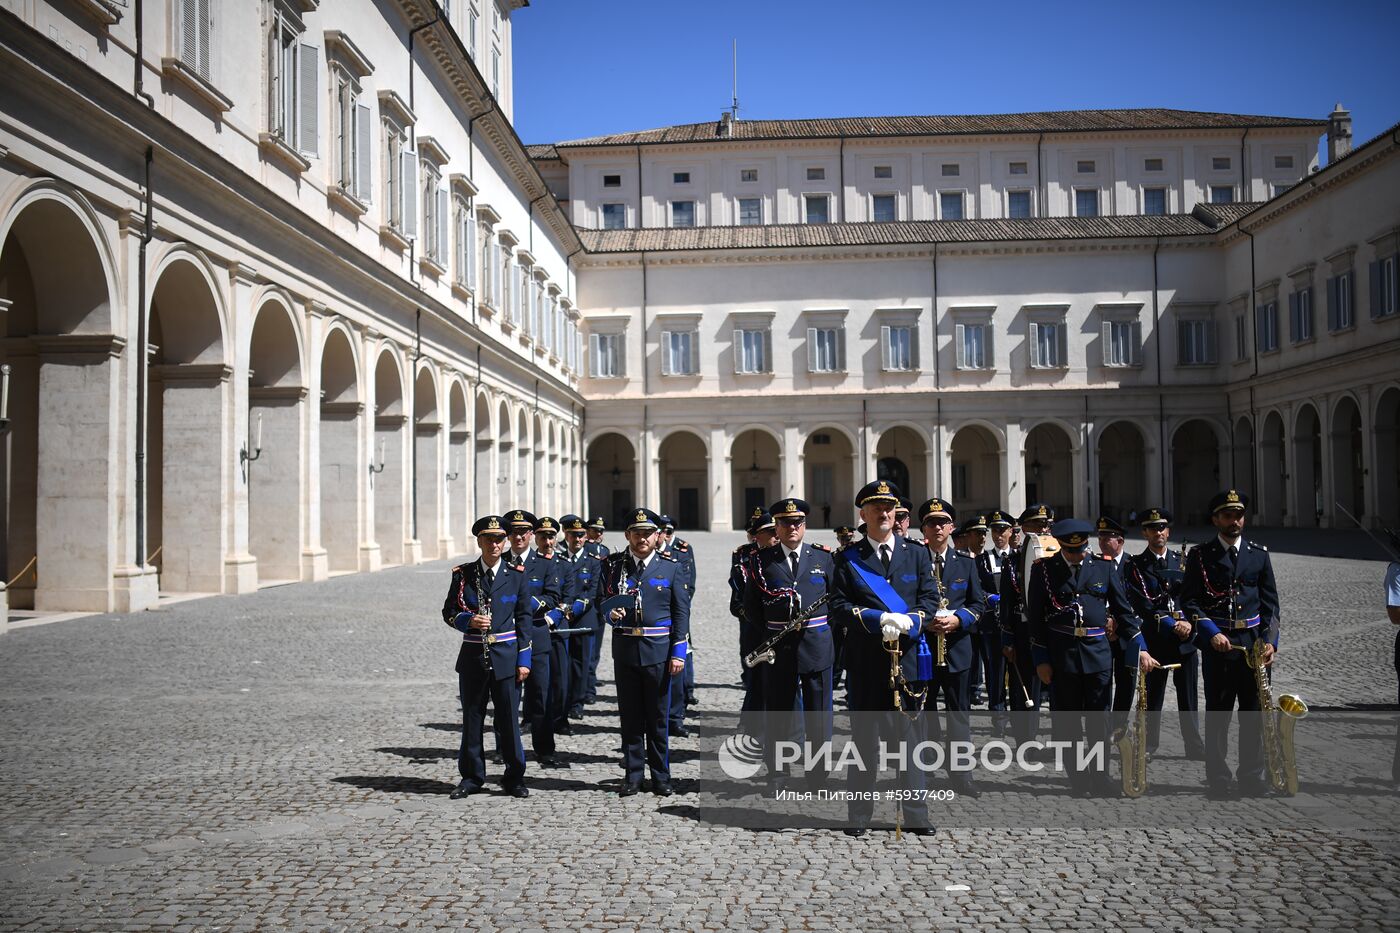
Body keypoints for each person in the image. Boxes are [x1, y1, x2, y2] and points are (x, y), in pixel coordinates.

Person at [829, 480, 937, 837]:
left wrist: (914, 619)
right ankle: (859, 815)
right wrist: (878, 620)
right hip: (866, 665)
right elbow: (839, 607)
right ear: (863, 514)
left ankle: (917, 813)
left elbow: (929, 599)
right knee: (864, 745)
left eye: (889, 507)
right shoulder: (848, 559)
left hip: (907, 664)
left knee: (911, 745)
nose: (884, 513)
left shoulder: (917, 553)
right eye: (876, 508)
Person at [1027, 518, 1142, 797]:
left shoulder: (1102, 567)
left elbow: (1124, 611)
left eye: (1081, 550)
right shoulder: (1044, 570)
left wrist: (1140, 646)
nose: (1077, 556)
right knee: (1067, 722)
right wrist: (1041, 659)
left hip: (1098, 655)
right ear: (1062, 547)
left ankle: (1100, 777)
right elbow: (1036, 620)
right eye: (1071, 551)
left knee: (1099, 721)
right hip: (1062, 656)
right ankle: (1078, 779)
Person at [1180, 489, 1280, 799]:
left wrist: (1270, 642)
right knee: (1219, 714)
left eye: (1238, 515)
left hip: (1252, 646)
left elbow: (1271, 605)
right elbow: (1190, 602)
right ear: (1215, 520)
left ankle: (1251, 776)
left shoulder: (1258, 554)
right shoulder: (1200, 555)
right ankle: (1219, 778)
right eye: (1227, 515)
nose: (1234, 521)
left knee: (1253, 714)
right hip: (1219, 646)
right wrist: (1210, 633)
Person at [596, 508, 692, 796]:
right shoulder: (612, 566)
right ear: (627, 535)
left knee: (658, 717)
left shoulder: (671, 566)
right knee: (631, 716)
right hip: (625, 649)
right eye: (636, 533)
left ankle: (661, 776)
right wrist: (610, 614)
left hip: (659, 652)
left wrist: (678, 652)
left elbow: (681, 614)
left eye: (647, 533)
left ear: (657, 536)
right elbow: (601, 600)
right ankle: (634, 774)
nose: (642, 538)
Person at [742, 497, 836, 792]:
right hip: (779, 648)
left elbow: (836, 600)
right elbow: (751, 607)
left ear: (804, 526)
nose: (791, 527)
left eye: (797, 523)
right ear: (777, 527)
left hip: (817, 646)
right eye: (784, 523)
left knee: (819, 717)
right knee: (780, 715)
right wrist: (777, 632)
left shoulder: (823, 558)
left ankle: (817, 776)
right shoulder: (761, 561)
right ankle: (778, 775)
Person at [440, 515, 533, 799]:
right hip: (473, 658)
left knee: (508, 721)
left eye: (499, 539)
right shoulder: (463, 574)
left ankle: (514, 777)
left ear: (505, 542)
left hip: (506, 656)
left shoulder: (516, 574)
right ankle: (471, 777)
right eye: (488, 539)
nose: (494, 544)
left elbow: (525, 619)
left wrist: (524, 660)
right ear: (479, 541)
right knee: (473, 718)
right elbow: (449, 612)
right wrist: (468, 620)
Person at [1122, 508, 1205, 759]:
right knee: (1153, 697)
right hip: (1157, 638)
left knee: (1189, 697)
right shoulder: (1136, 565)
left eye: (1163, 528)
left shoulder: (1186, 561)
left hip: (1186, 639)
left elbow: (1195, 597)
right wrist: (1173, 624)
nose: (1159, 532)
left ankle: (1194, 744)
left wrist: (1190, 624)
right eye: (1153, 528)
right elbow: (1145, 606)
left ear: (1168, 531)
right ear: (1145, 533)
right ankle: (1149, 744)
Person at [919, 498, 987, 796]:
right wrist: (923, 622)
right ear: (923, 528)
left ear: (951, 527)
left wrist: (959, 620)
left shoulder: (966, 563)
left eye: (942, 522)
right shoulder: (913, 559)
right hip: (922, 649)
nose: (937, 527)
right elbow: (904, 602)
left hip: (958, 648)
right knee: (924, 712)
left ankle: (961, 774)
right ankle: (924, 769)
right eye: (931, 522)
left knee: (959, 713)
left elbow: (978, 603)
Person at [505, 509, 565, 768]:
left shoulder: (545, 563)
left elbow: (553, 597)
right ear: (507, 535)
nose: (518, 537)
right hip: (506, 636)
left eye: (523, 532)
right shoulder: (498, 560)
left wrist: (527, 603)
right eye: (514, 532)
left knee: (541, 695)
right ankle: (505, 748)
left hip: (537, 635)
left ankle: (544, 748)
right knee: (506, 698)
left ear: (531, 534)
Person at [1000, 504, 1054, 748]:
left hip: (1052, 629)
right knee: (1025, 686)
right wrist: (1007, 638)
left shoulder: (1056, 557)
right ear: (1023, 528)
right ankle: (1025, 738)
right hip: (1022, 629)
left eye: (1044, 525)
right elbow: (1007, 602)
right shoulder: (1013, 561)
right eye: (1036, 524)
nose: (1042, 528)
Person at [559, 514, 603, 722]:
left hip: (584, 619)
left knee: (581, 663)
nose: (577, 539)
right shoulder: (558, 560)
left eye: (581, 535)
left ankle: (577, 703)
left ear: (586, 537)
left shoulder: (593, 561)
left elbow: (592, 592)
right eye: (573, 535)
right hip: (561, 619)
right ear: (566, 536)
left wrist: (571, 609)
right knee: (561, 664)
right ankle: (560, 703)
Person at [732, 509, 776, 714]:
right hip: (753, 623)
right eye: (771, 532)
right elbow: (739, 589)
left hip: (780, 626)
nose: (776, 535)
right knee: (755, 675)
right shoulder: (745, 555)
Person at [659, 515, 698, 737]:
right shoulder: (648, 555)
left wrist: (679, 608)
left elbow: (688, 584)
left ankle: (676, 717)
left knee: (679, 664)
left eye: (667, 531)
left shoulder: (680, 552)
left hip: (677, 616)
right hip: (657, 622)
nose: (663, 534)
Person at [977, 510, 1015, 735]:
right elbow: (976, 587)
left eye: (1002, 530)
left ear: (1011, 532)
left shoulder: (1019, 557)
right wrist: (988, 597)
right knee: (995, 672)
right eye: (995, 530)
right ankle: (998, 716)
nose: (998, 535)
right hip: (993, 624)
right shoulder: (982, 560)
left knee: (1018, 670)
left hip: (1016, 624)